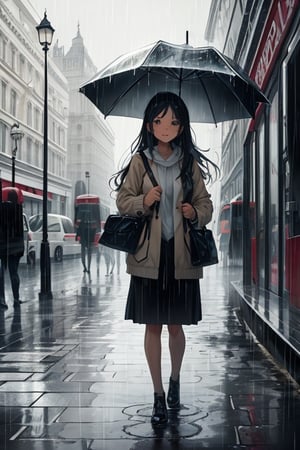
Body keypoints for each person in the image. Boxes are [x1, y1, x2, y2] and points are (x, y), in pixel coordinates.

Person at [110, 92, 219, 426]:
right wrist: (144, 199)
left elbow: (207, 205)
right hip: (149, 257)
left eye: (172, 121)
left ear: (181, 125)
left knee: (176, 327)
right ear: (149, 125)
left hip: (181, 256)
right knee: (153, 326)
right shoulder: (141, 162)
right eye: (159, 121)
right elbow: (122, 200)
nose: (166, 127)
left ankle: (175, 380)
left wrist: (194, 211)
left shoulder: (189, 163)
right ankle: (158, 394)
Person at [0, 188, 25, 309]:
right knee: (14, 273)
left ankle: (2, 300)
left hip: (3, 246)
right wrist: (21, 249)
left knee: (1, 273)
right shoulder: (18, 210)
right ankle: (16, 298)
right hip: (15, 248)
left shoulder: (1, 208)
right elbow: (20, 231)